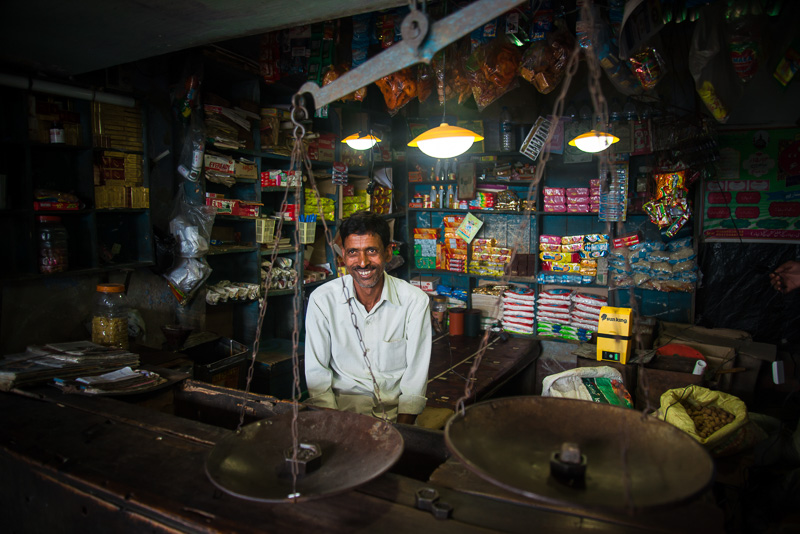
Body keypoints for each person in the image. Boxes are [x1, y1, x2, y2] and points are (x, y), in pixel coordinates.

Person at [304, 211, 432, 424]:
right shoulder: (322, 300)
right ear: (343, 255)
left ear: (388, 253)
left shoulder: (414, 301)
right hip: (340, 416)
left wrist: (400, 435)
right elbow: (317, 376)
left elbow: (415, 379)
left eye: (371, 251)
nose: (362, 263)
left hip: (395, 418)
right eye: (353, 252)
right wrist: (335, 427)